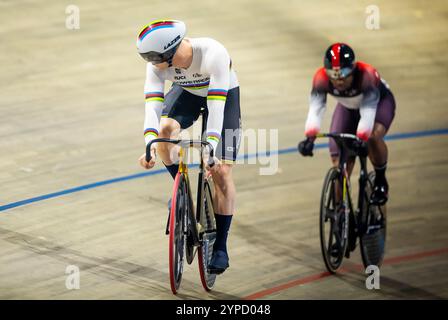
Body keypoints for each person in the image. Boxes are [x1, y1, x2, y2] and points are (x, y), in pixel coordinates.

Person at [136, 19, 241, 274]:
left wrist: (212, 148)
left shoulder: (213, 53)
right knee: (163, 133)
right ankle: (179, 190)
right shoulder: (158, 66)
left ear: (169, 54)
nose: (150, 64)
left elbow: (216, 107)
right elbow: (152, 107)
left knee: (221, 172)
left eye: (152, 58)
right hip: (188, 92)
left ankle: (221, 247)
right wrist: (150, 143)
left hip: (223, 95)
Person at [298, 43, 396, 205]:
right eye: (333, 73)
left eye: (344, 72)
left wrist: (362, 138)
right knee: (340, 160)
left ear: (353, 68)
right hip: (348, 107)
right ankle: (340, 210)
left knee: (372, 137)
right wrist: (309, 139)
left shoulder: (367, 76)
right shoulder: (321, 78)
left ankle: (380, 181)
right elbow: (316, 109)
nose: (339, 78)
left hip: (378, 104)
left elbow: (368, 111)